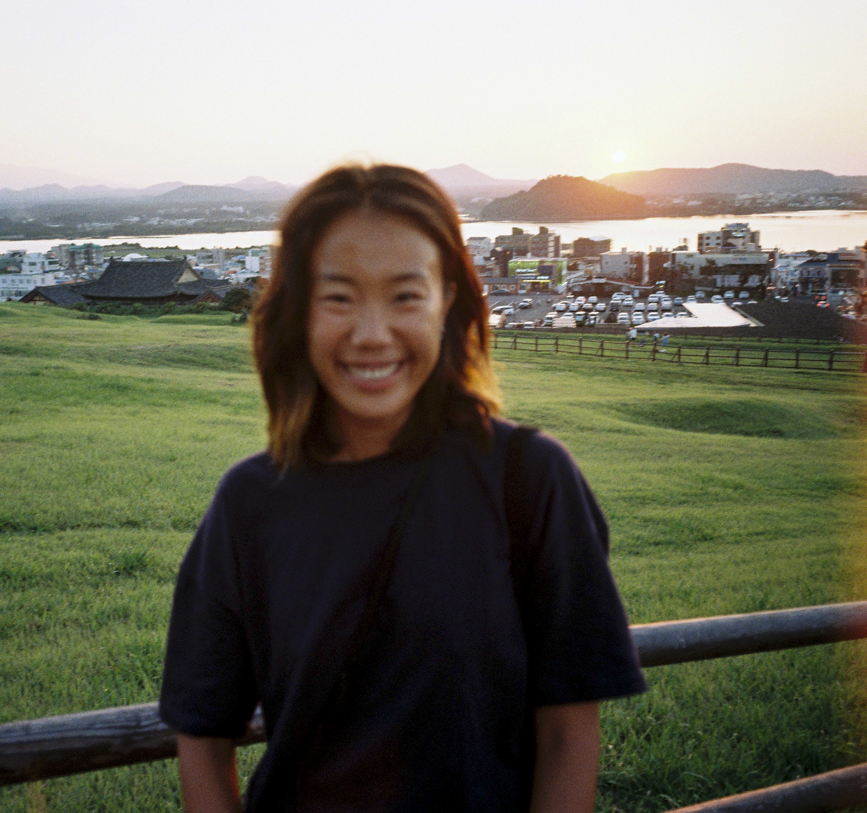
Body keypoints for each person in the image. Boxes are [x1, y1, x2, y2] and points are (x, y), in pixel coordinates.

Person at [160, 164, 646, 813]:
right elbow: (202, 736)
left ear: (448, 301)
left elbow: (568, 733)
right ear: (298, 311)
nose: (371, 333)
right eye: (338, 297)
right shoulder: (249, 502)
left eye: (405, 296)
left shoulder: (529, 479)